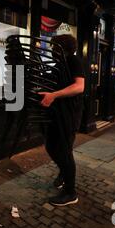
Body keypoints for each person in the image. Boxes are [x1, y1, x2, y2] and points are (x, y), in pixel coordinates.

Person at [39, 34, 85, 207]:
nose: (51, 50)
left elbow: (79, 86)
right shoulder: (60, 64)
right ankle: (64, 174)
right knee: (52, 146)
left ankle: (70, 192)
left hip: (70, 114)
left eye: (54, 46)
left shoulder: (74, 61)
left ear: (62, 47)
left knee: (64, 151)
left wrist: (54, 95)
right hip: (57, 114)